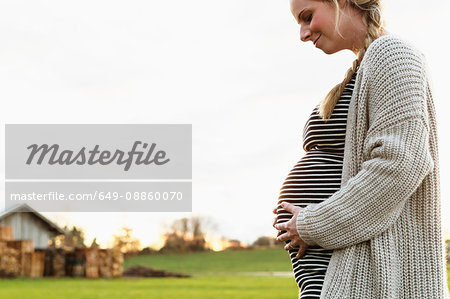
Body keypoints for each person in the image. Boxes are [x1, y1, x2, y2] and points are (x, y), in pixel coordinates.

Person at [272, 0, 449, 298]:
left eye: (307, 16)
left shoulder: (393, 54)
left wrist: (312, 224)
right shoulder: (366, 65)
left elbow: (401, 164)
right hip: (337, 264)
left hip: (361, 270)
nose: (302, 34)